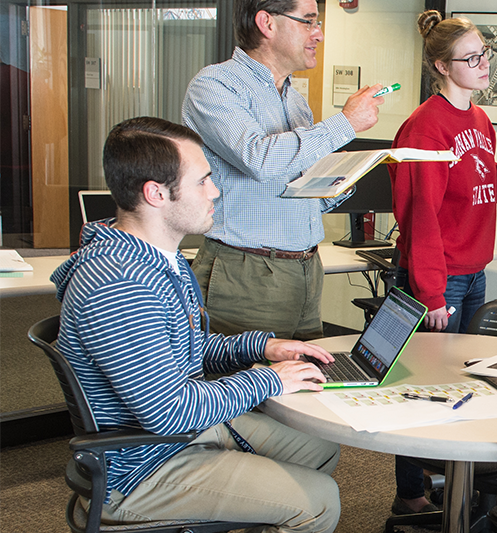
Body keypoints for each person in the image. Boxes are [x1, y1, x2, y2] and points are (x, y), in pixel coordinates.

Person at [52, 116, 340, 532]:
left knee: (319, 449)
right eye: (203, 180)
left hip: (177, 435)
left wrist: (261, 349)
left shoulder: (158, 260)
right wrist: (270, 381)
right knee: (319, 502)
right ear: (156, 194)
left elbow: (183, 346)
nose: (215, 191)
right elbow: (170, 413)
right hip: (142, 467)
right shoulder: (119, 284)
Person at [183, 0, 385, 340]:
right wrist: (344, 123)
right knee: (246, 389)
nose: (319, 34)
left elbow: (295, 187)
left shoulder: (294, 98)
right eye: (308, 21)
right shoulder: (214, 86)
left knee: (303, 384)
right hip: (247, 271)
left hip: (306, 269)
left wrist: (342, 179)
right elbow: (260, 160)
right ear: (267, 23)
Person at [386, 10, 497, 514]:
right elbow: (418, 215)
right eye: (470, 59)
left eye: (484, 55)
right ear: (441, 66)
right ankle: (410, 494)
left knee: (466, 382)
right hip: (437, 280)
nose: (483, 65)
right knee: (420, 387)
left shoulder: (479, 118)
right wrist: (430, 291)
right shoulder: (424, 128)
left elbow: (488, 188)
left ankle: (453, 482)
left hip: (472, 274)